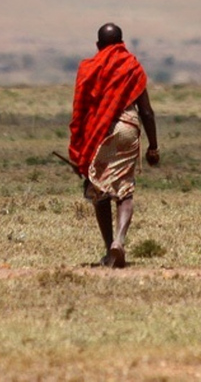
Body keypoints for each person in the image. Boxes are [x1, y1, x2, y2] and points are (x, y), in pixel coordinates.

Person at [68, 22, 159, 268]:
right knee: (124, 188)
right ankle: (118, 242)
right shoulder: (131, 66)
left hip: (102, 134)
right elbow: (147, 113)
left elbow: (80, 112)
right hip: (127, 130)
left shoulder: (89, 69)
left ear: (98, 45)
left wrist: (79, 150)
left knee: (98, 186)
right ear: (121, 43)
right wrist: (153, 146)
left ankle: (110, 248)